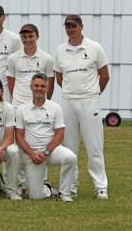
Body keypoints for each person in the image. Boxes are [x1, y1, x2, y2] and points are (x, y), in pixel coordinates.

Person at [54, 14, 110, 200]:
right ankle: (70, 187)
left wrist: (93, 94)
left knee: (94, 146)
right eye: (67, 26)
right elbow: (60, 78)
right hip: (68, 101)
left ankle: (101, 186)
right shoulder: (60, 50)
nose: (70, 29)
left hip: (89, 101)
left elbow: (104, 76)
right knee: (70, 147)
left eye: (73, 26)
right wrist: (73, 92)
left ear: (81, 27)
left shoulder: (94, 48)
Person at [6, 23, 55, 193]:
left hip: (39, 106)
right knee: (19, 145)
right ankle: (21, 184)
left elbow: (50, 85)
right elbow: (11, 84)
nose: (27, 40)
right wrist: (21, 102)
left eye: (30, 36)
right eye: (24, 37)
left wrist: (41, 102)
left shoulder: (47, 59)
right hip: (19, 105)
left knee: (40, 141)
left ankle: (43, 180)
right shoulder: (13, 58)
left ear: (37, 36)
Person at [15, 73, 76, 202]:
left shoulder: (55, 107)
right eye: (36, 85)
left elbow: (60, 133)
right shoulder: (22, 109)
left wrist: (47, 152)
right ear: (31, 87)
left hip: (51, 150)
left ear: (47, 89)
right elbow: (19, 136)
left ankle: (64, 193)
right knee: (36, 197)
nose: (39, 88)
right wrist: (32, 154)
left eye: (43, 86)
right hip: (33, 154)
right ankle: (47, 188)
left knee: (70, 158)